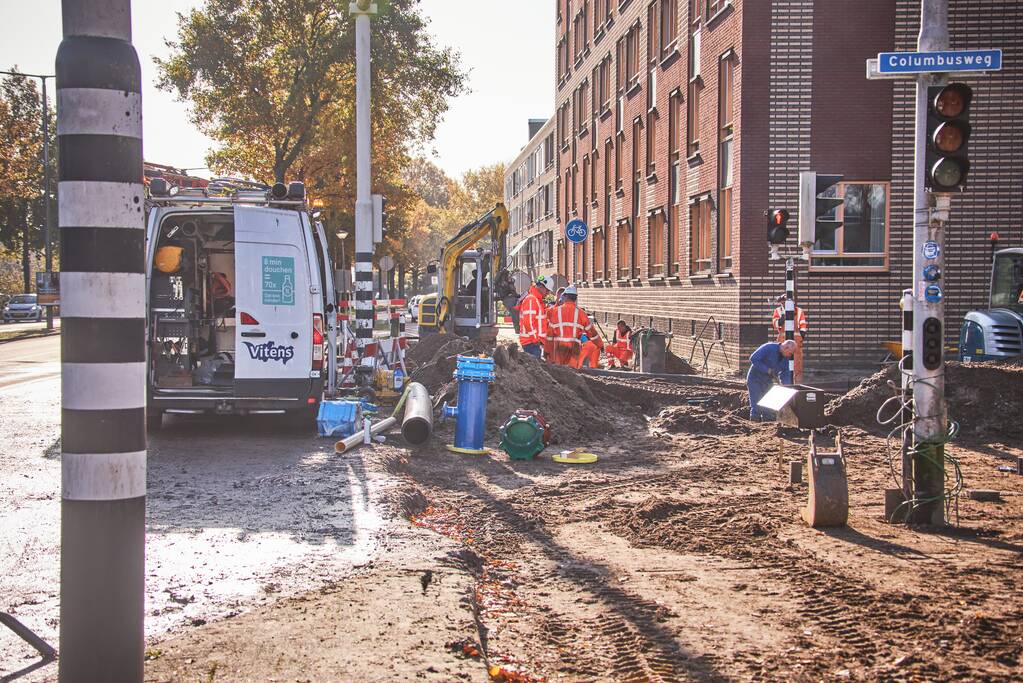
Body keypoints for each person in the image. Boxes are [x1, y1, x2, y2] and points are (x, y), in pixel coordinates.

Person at [546, 285, 601, 366]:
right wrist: (600, 344)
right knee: (573, 374)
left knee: (559, 373)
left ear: (565, 296)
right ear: (575, 298)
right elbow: (592, 333)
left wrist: (547, 352)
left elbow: (550, 335)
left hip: (559, 349)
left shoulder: (555, 312)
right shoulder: (582, 313)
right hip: (574, 349)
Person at [747, 340, 797, 421]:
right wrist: (767, 370)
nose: (790, 356)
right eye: (790, 353)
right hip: (755, 379)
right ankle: (754, 423)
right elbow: (753, 358)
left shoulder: (785, 359)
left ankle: (768, 425)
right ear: (786, 348)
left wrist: (787, 388)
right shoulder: (769, 347)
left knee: (768, 406)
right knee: (756, 405)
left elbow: (785, 374)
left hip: (768, 381)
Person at [771, 295, 808, 383]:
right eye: (782, 303)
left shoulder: (798, 311)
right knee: (783, 364)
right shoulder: (778, 311)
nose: (783, 305)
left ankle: (797, 386)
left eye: (785, 303)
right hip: (783, 342)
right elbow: (776, 324)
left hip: (796, 342)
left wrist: (800, 339)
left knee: (797, 366)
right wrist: (782, 318)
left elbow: (803, 326)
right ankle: (784, 384)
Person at [518, 275, 553, 359]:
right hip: (531, 343)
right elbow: (528, 322)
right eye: (547, 291)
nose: (547, 294)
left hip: (532, 343)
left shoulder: (536, 300)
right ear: (541, 287)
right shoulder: (532, 299)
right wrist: (535, 339)